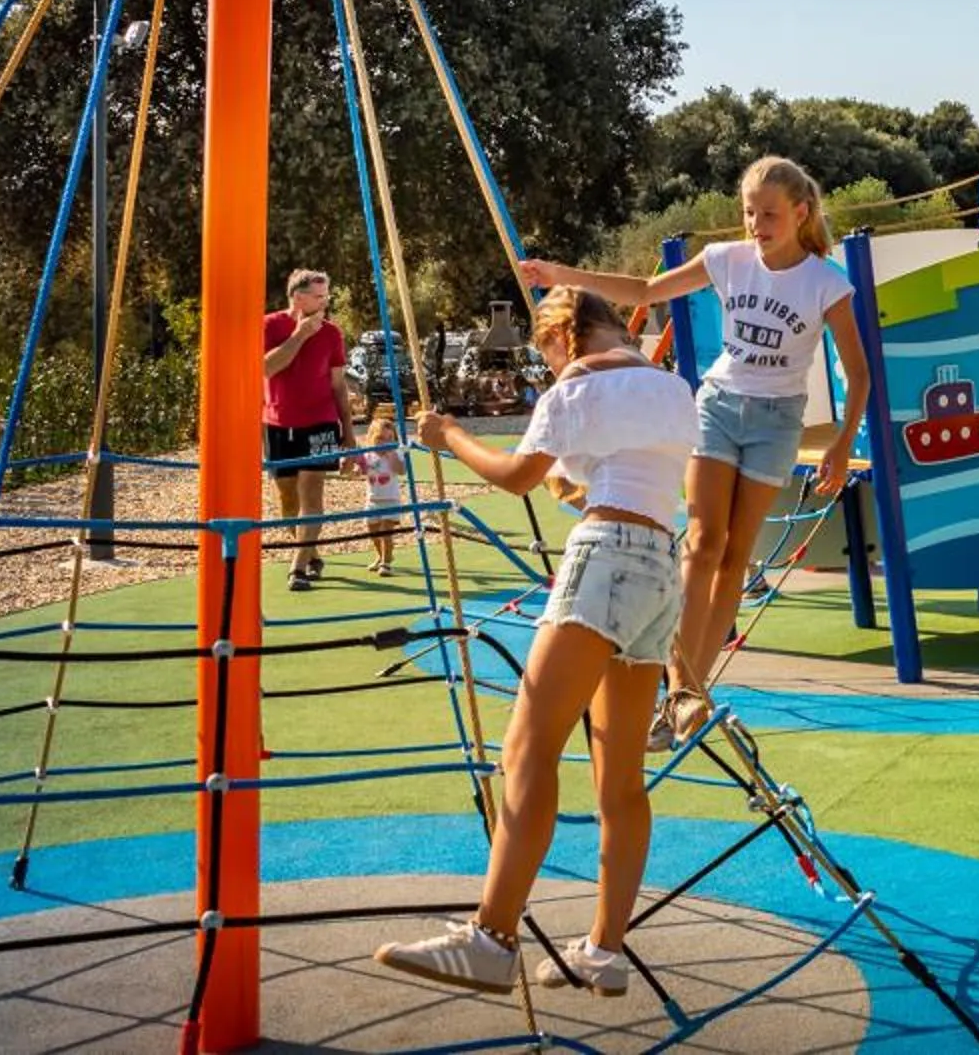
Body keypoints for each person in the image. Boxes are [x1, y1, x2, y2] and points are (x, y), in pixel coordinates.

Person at [372, 285, 697, 997]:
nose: (549, 370)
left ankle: (492, 936)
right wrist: (578, 480)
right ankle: (604, 949)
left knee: (528, 746)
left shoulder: (573, 390)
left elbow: (519, 477)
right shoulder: (675, 391)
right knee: (620, 782)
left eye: (546, 355)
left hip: (607, 557)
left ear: (562, 340)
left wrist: (447, 435)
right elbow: (635, 475)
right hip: (658, 570)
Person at [515, 155, 869, 750]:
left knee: (736, 556)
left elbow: (858, 374)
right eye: (749, 213)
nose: (756, 225)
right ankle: (678, 687)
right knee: (702, 542)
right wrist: (563, 275)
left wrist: (839, 446)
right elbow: (648, 291)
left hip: (778, 420)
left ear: (801, 213)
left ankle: (690, 691)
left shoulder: (825, 282)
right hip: (720, 405)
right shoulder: (727, 261)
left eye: (770, 215)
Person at [262, 269, 355, 591]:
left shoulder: (332, 334)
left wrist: (349, 434)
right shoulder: (270, 325)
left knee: (312, 495)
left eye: (326, 294)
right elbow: (266, 368)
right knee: (287, 503)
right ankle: (311, 553)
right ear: (298, 297)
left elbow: (339, 386)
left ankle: (297, 569)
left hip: (321, 422)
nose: (326, 300)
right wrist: (300, 335)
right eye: (319, 295)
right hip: (277, 423)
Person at [349, 409, 407, 576]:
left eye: (389, 439)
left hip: (391, 499)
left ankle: (386, 563)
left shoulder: (395, 454)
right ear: (371, 439)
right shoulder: (368, 455)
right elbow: (362, 470)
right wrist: (356, 470)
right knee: (372, 531)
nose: (384, 443)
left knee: (386, 533)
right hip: (373, 500)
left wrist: (392, 456)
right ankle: (381, 556)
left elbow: (401, 471)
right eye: (380, 439)